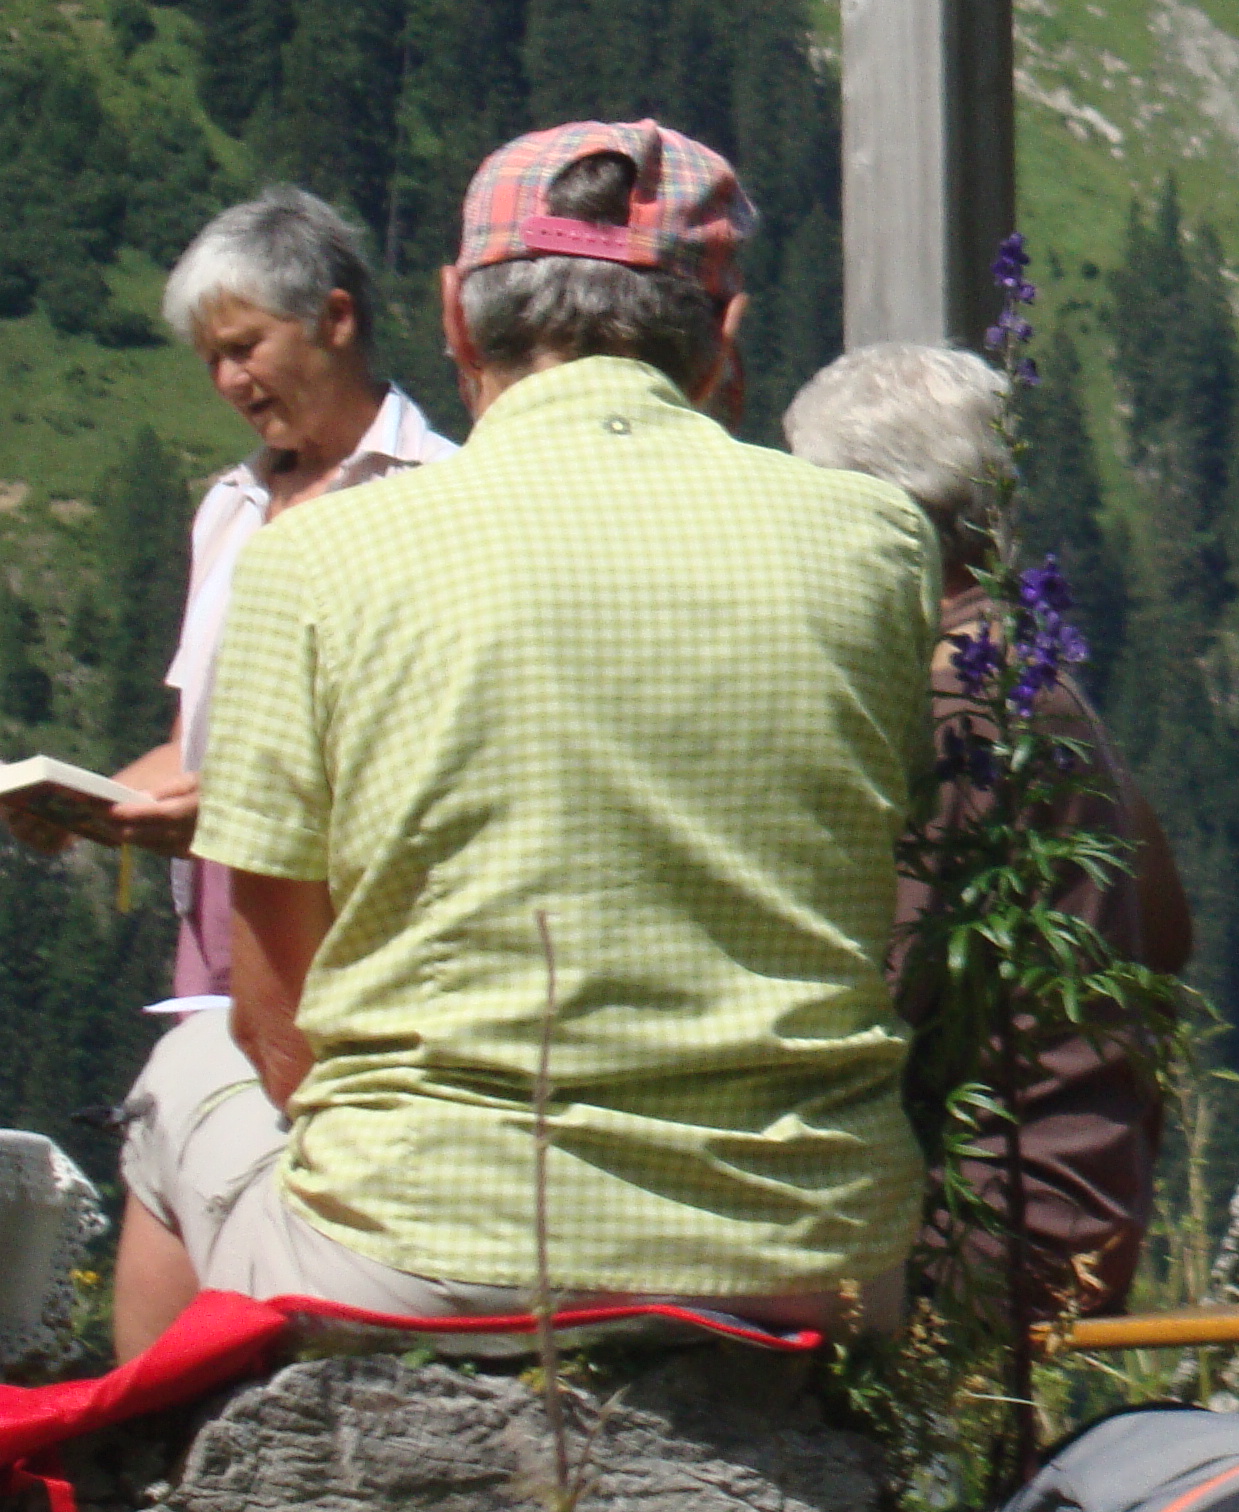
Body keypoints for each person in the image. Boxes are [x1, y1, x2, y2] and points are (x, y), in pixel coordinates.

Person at [111, 121, 940, 1354]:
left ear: (455, 315)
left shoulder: (308, 559)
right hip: (810, 1260)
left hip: (427, 1253)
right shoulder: (880, 541)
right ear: (725, 329)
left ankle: (185, 1448)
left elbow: (277, 1026)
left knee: (182, 1079)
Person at [782, 340, 1196, 1316]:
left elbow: (875, 993)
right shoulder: (1024, 681)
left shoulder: (947, 706)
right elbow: (1168, 931)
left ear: (861, 515)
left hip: (971, 1230)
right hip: (1072, 1205)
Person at [0, 191, 457, 999]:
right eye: (210, 360)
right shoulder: (228, 505)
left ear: (336, 319)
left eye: (244, 349)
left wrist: (238, 812)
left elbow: (447, 753)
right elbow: (192, 748)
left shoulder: (444, 493)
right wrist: (84, 809)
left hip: (365, 923)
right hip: (218, 920)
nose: (228, 381)